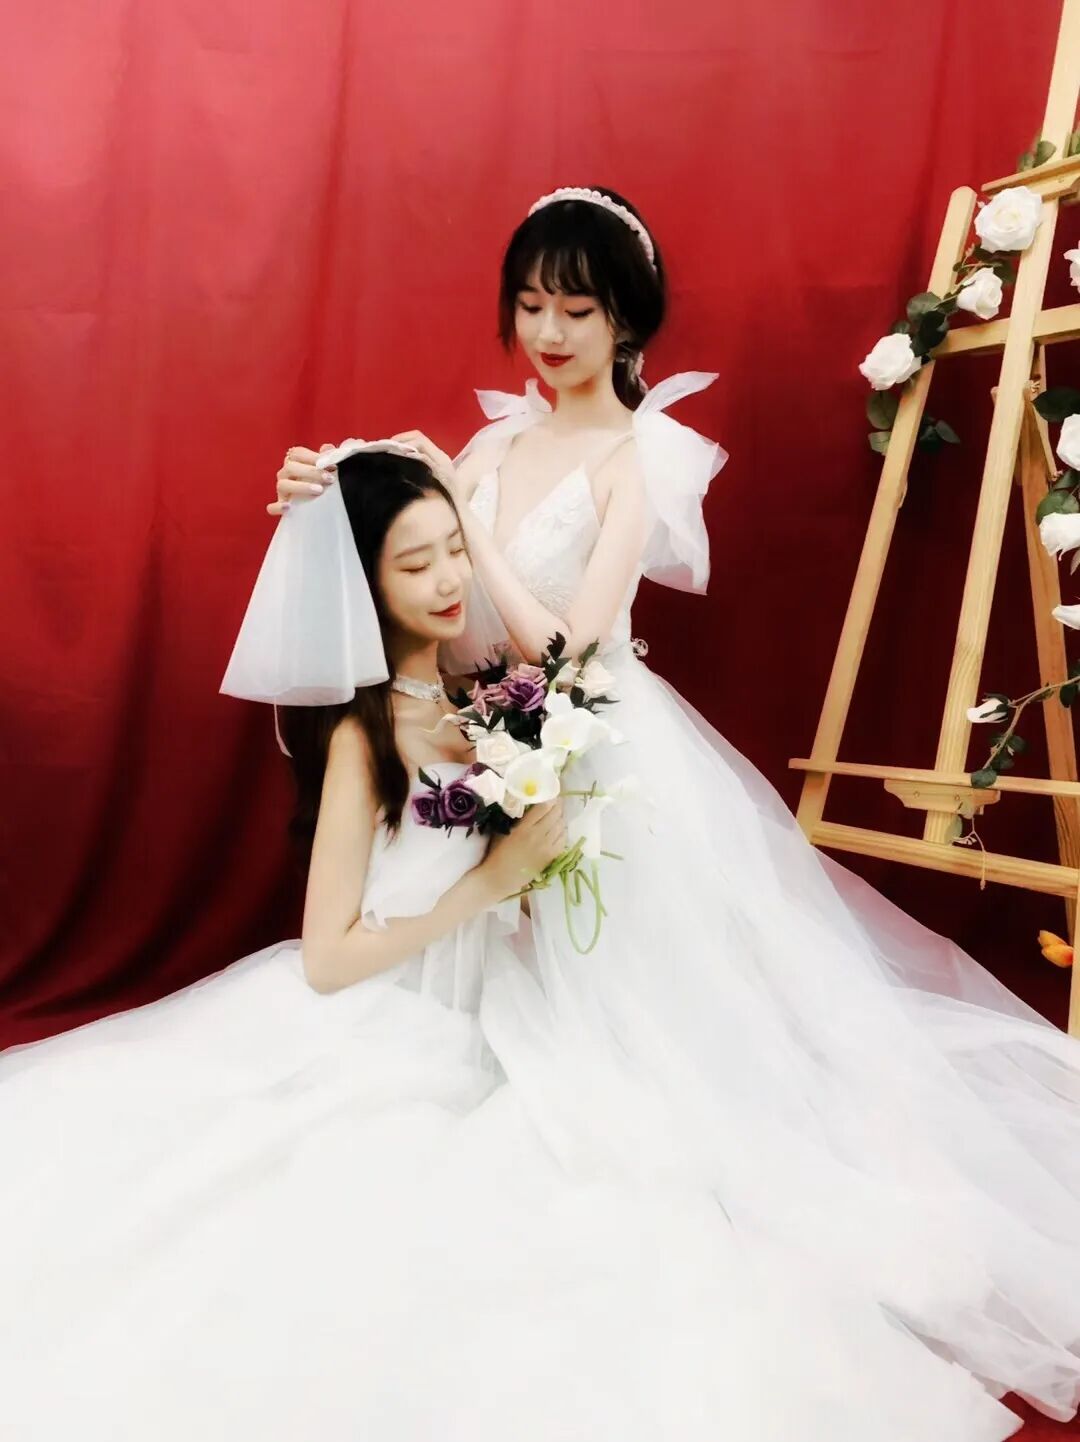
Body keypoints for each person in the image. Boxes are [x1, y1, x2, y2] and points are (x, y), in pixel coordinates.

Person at [264, 186, 1080, 1434]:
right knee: (486, 1018)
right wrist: (318, 495)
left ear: (628, 319)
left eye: (577, 310)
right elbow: (401, 557)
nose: (549, 334)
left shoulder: (638, 456)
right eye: (530, 306)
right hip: (488, 745)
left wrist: (471, 536)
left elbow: (571, 650)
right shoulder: (488, 445)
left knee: (643, 1042)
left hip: (595, 750)